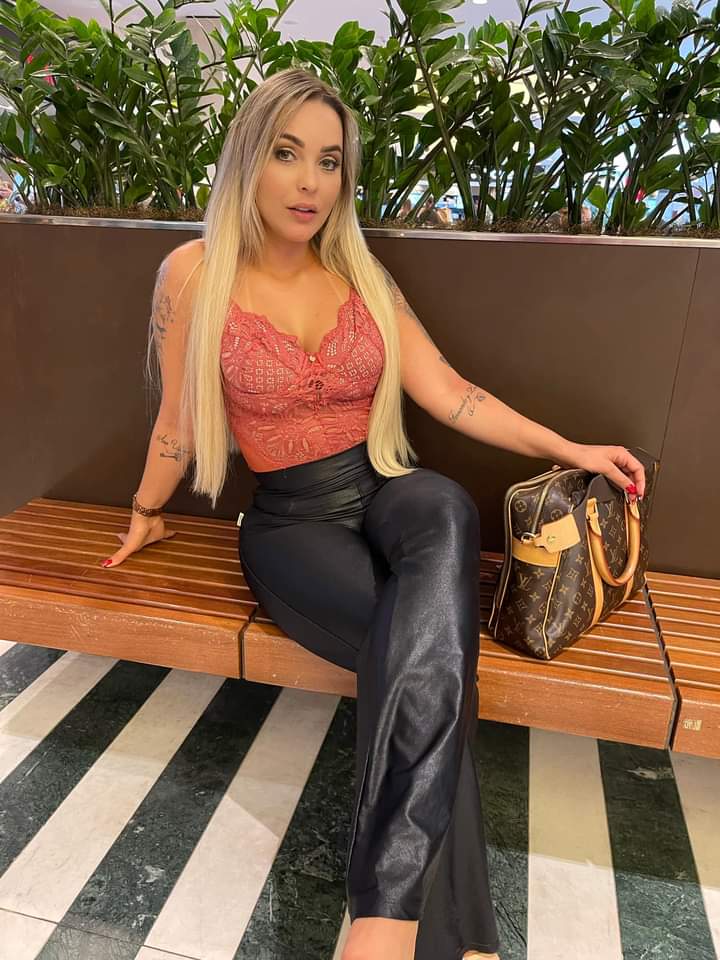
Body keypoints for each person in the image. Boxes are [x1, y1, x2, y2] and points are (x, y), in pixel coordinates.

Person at [99, 67, 646, 960]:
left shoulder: (357, 273)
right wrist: (145, 509)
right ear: (248, 160)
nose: (310, 182)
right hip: (293, 522)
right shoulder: (193, 273)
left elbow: (452, 394)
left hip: (387, 484)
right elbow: (178, 422)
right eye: (287, 154)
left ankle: (382, 923)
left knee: (442, 505)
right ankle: (446, 939)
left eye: (330, 161)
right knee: (428, 662)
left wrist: (572, 449)